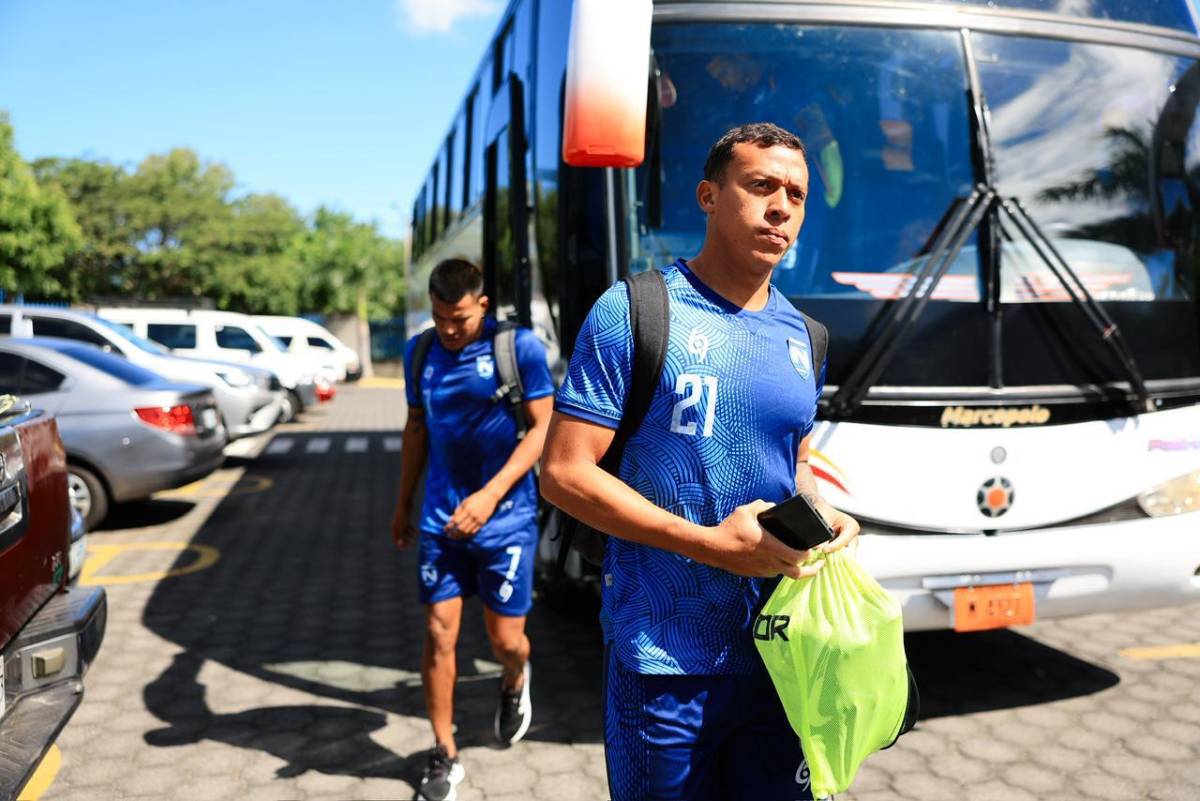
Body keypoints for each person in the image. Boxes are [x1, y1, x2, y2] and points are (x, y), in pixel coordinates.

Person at [540, 123, 861, 801]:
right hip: (664, 659)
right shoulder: (635, 311)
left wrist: (822, 513)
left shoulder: (807, 336)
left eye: (796, 195)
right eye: (761, 185)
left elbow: (792, 463)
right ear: (709, 195)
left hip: (782, 654)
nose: (781, 207)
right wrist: (710, 545)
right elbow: (566, 473)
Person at [390, 258, 554, 801]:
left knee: (506, 640)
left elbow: (542, 428)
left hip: (505, 521)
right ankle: (443, 752)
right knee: (439, 635)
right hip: (441, 522)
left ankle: (513, 680)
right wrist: (402, 504)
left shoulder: (517, 349)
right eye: (439, 318)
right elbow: (416, 428)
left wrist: (489, 497)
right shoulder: (420, 352)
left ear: (481, 306)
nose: (448, 330)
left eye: (458, 319)